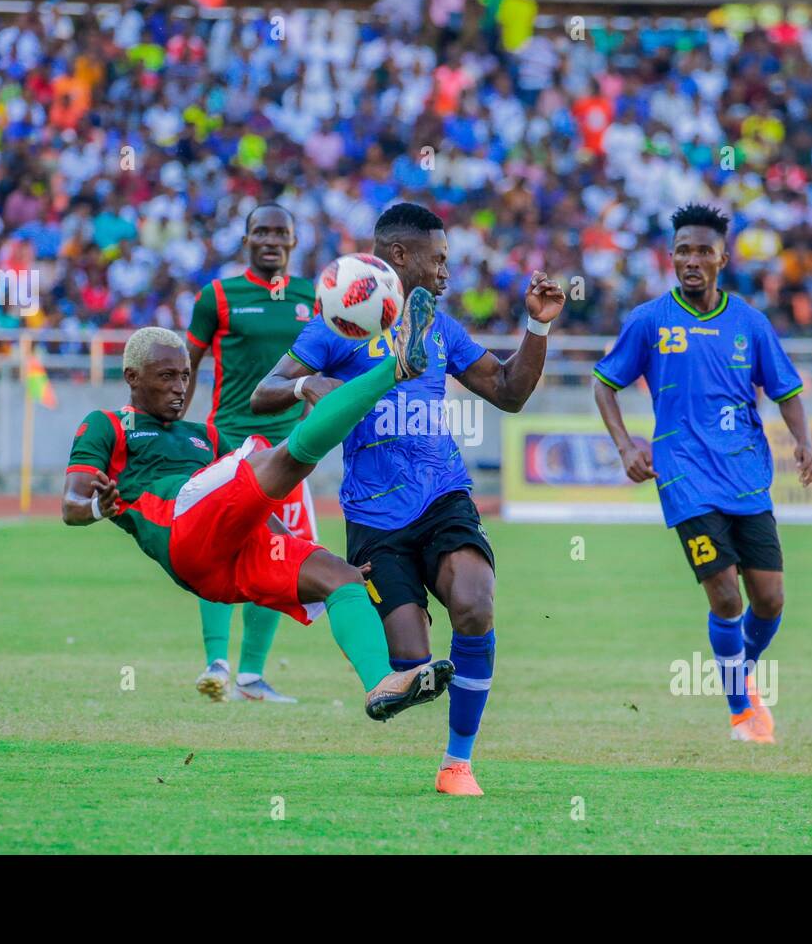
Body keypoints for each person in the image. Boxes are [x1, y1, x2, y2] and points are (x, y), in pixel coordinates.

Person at [252, 202, 566, 795]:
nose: (447, 272)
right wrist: (304, 383)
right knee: (410, 664)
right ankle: (402, 679)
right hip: (374, 519)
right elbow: (264, 392)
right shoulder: (340, 324)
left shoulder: (442, 329)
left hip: (443, 495)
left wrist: (539, 327)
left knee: (474, 603)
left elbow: (508, 391)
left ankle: (457, 765)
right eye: (439, 259)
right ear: (400, 256)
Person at [61, 295, 453, 723]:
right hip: (179, 528)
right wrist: (98, 508)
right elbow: (72, 505)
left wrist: (301, 550)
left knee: (338, 575)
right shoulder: (109, 424)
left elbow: (252, 505)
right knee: (275, 458)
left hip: (223, 567)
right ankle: (397, 368)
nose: (179, 388)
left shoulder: (204, 436)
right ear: (132, 377)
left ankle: (381, 684)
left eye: (186, 376)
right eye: (167, 376)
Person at [592, 203, 812, 744]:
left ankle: (742, 671)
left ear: (723, 257)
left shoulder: (749, 324)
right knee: (725, 597)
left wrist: (804, 442)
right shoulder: (649, 322)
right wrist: (625, 446)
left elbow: (785, 390)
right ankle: (742, 712)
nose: (691, 260)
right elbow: (604, 385)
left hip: (746, 475)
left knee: (770, 599)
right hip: (683, 476)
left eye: (702, 251)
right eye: (682, 251)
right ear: (672, 257)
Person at [184, 203, 317, 704]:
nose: (270, 240)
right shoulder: (217, 296)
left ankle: (251, 677)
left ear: (293, 241)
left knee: (276, 554)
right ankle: (216, 662)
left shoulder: (313, 298)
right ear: (245, 240)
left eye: (280, 232)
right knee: (217, 548)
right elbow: (187, 361)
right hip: (228, 444)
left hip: (289, 450)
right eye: (260, 231)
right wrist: (179, 420)